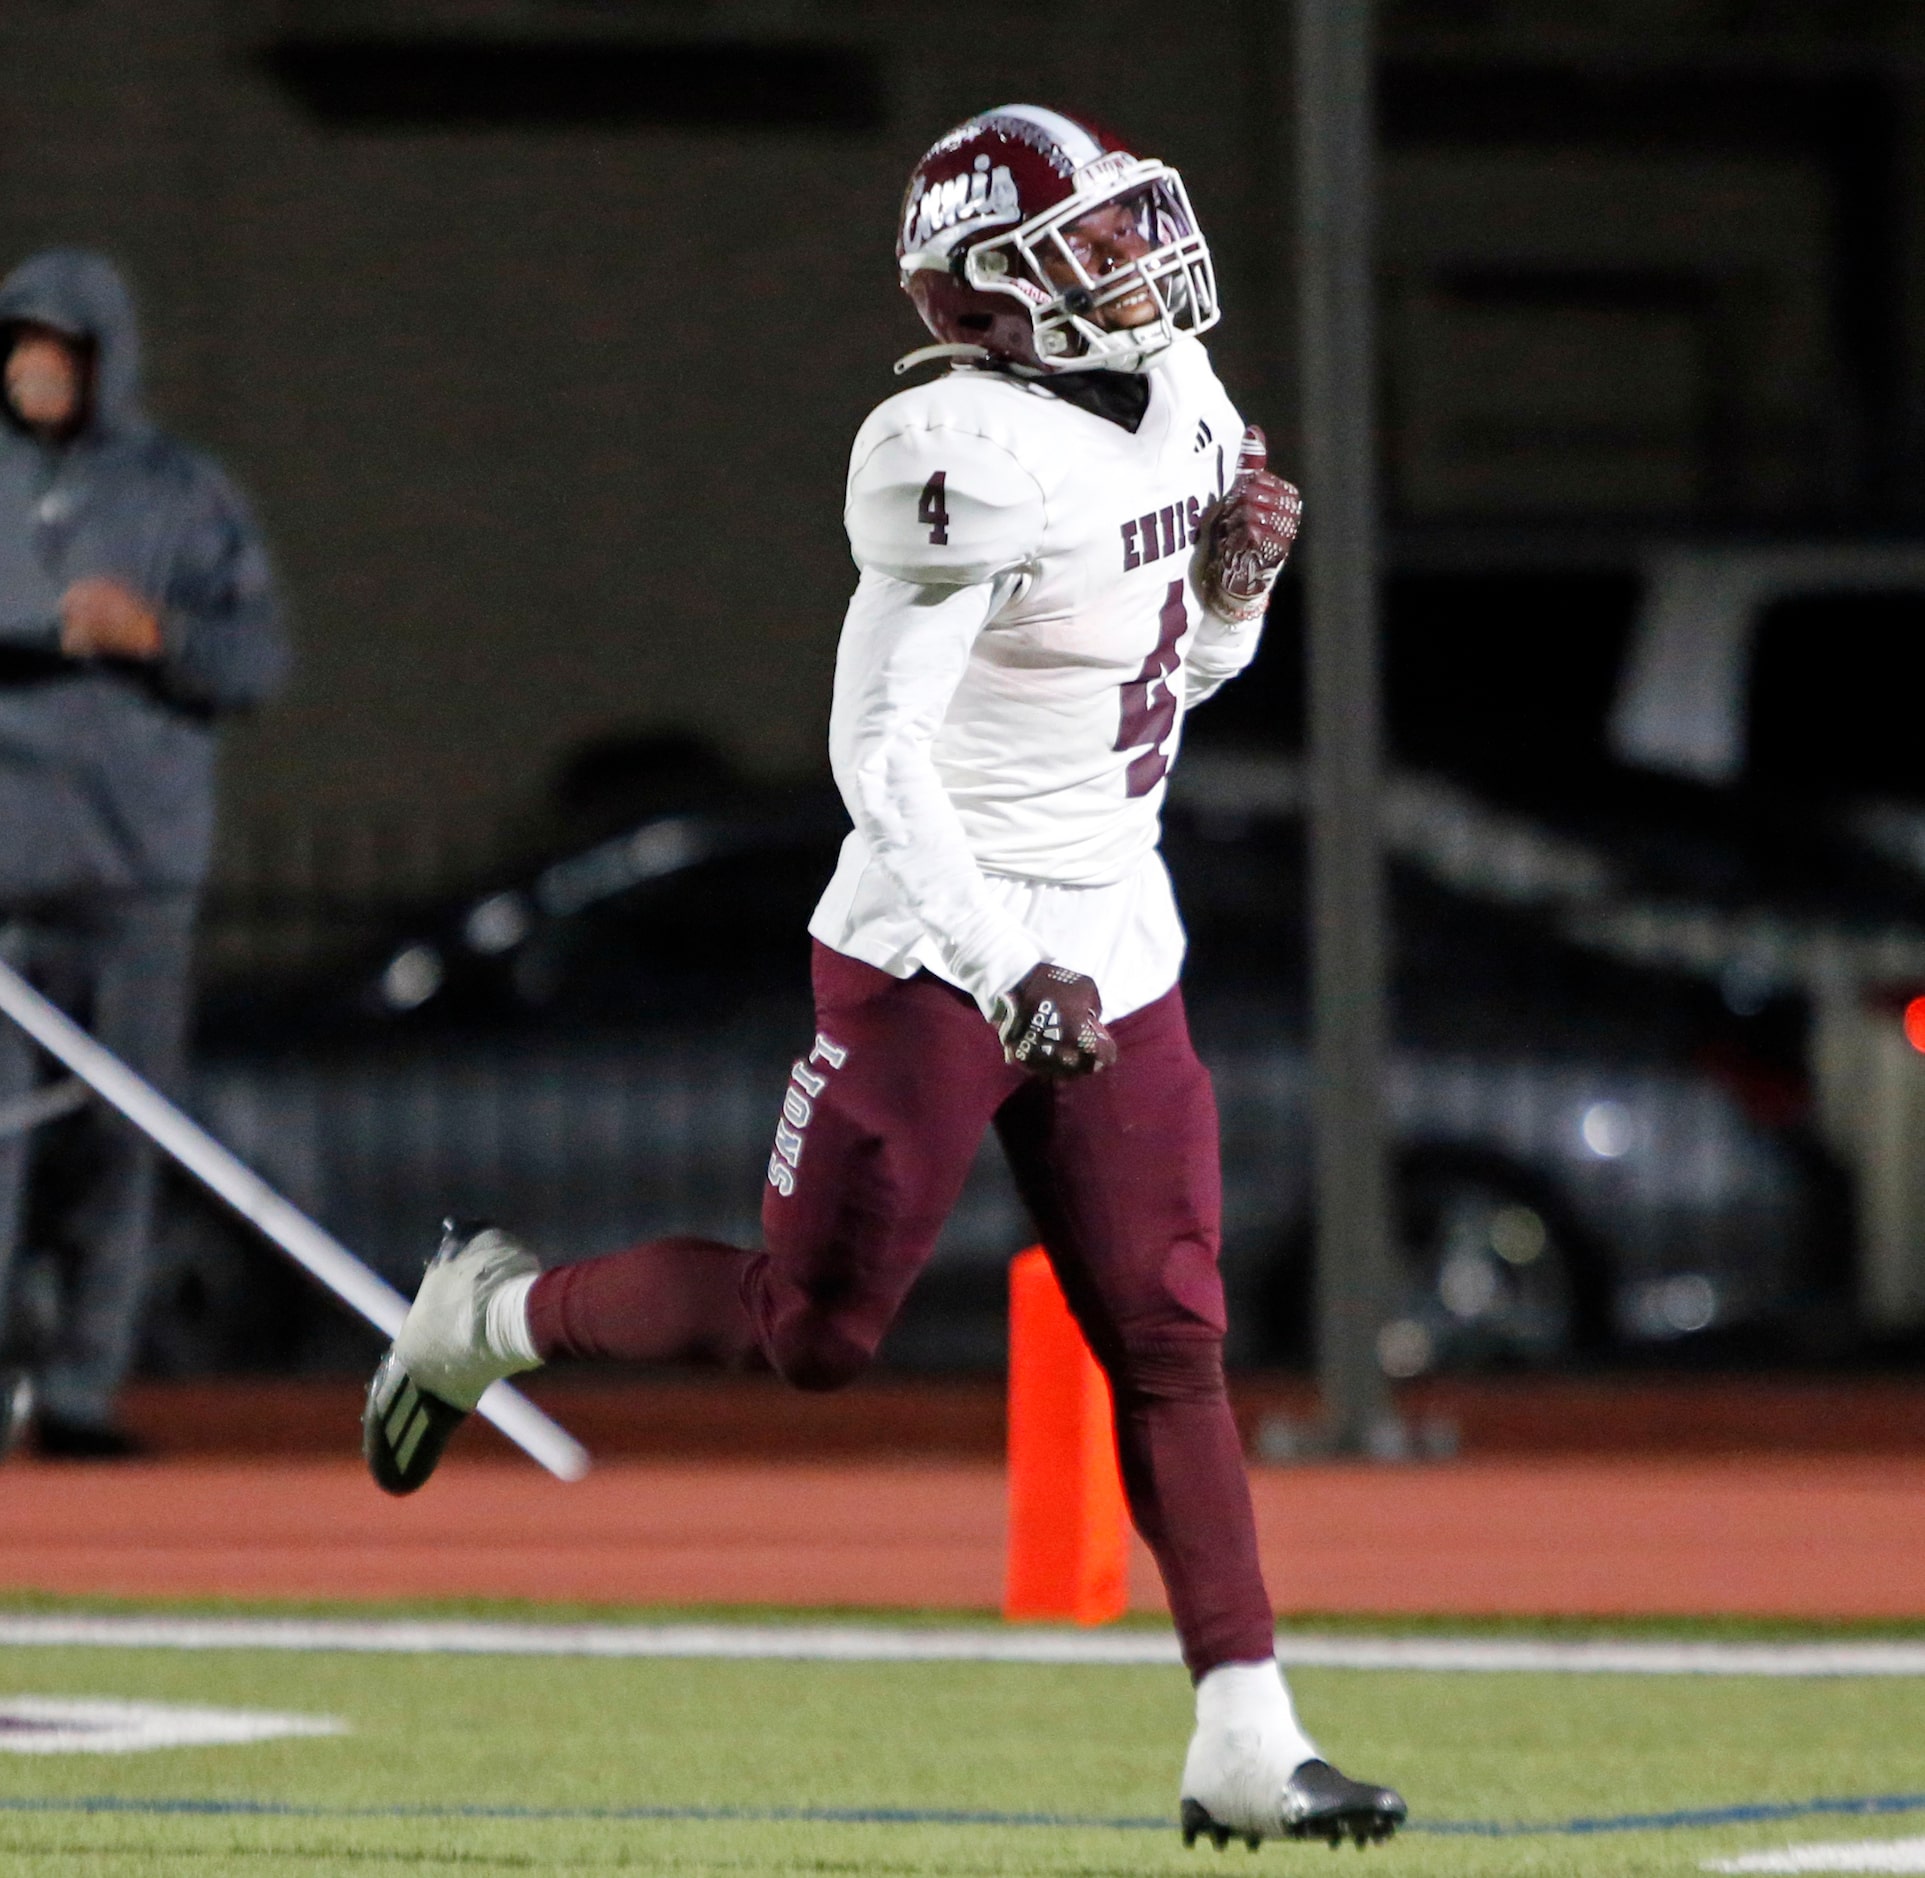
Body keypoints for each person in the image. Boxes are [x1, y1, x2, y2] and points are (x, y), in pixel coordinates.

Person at [362, 106, 1405, 1848]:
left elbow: (1168, 682)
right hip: (938, 940)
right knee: (816, 1331)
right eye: (1087, 248)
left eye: (1135, 227)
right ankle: (487, 1315)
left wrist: (1233, 594)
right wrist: (1000, 968)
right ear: (987, 294)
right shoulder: (948, 447)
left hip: (1114, 927)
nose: (1140, 268)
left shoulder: (1185, 396)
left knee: (1172, 1339)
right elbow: (878, 748)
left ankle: (1246, 1731)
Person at [0, 250, 288, 1457]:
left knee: (122, 1144)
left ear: (105, 362)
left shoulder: (184, 494)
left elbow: (254, 664)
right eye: (21, 344)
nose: (35, 370)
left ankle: (77, 1391)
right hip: (6, 888)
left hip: (135, 886)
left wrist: (152, 631)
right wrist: (43, 627)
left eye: (61, 349)